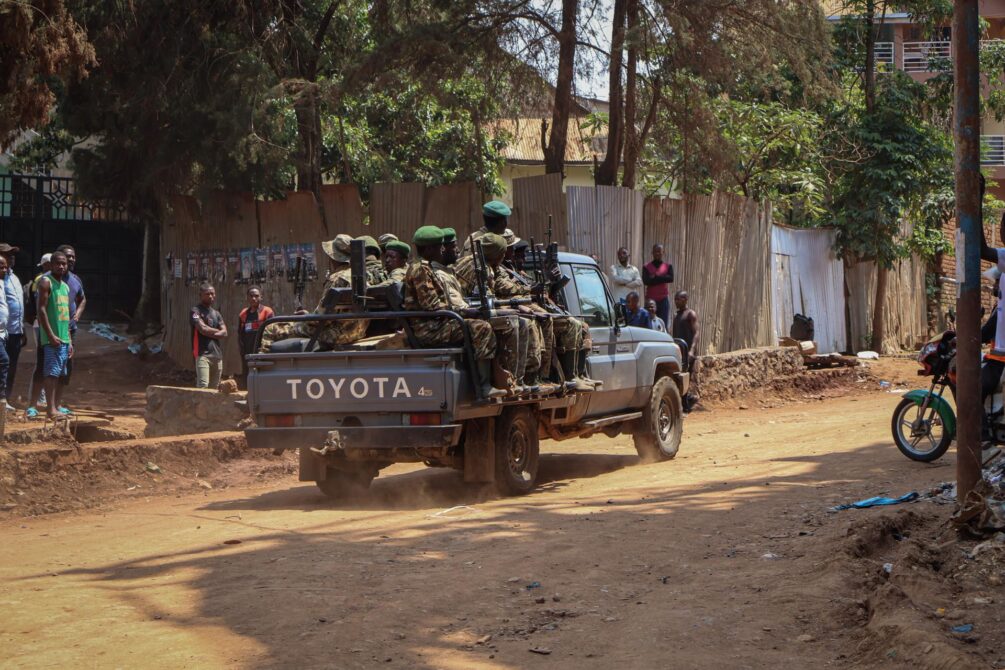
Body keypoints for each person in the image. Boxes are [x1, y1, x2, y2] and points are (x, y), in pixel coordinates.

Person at [404, 226, 507, 399]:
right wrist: (465, 312)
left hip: (437, 323)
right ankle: (484, 386)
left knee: (485, 322)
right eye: (440, 247)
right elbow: (432, 306)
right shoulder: (420, 270)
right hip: (429, 329)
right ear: (429, 249)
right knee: (481, 328)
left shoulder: (425, 268)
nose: (443, 250)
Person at [33, 251, 73, 420]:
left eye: (64, 263)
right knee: (51, 373)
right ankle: (50, 410)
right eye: (58, 263)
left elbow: (66, 316)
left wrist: (69, 341)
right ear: (51, 264)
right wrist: (50, 335)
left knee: (60, 374)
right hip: (52, 339)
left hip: (64, 338)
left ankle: (56, 407)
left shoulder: (65, 286)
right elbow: (41, 310)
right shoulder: (45, 282)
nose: (61, 266)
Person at [55, 245, 85, 407]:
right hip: (53, 330)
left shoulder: (76, 280)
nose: (71, 259)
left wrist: (78, 314)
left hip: (70, 330)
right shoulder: (48, 280)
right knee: (50, 366)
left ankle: (57, 404)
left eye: (73, 256)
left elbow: (83, 299)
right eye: (68, 256)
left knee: (66, 367)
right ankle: (41, 403)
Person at [0, 243, 24, 409]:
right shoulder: (1, 277)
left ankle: (5, 399)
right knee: (3, 362)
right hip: (3, 331)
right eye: (8, 254)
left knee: (11, 365)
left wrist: (22, 329)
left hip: (16, 330)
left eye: (12, 255)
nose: (12, 257)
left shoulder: (14, 277)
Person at [190, 283, 227, 389]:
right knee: (203, 386)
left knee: (215, 389)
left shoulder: (216, 314)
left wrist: (209, 331)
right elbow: (202, 329)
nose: (210, 296)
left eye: (212, 293)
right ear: (200, 295)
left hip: (217, 356)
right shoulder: (195, 311)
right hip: (203, 354)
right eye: (207, 294)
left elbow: (225, 333)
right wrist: (218, 331)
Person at [237, 286, 274, 386]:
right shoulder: (243, 314)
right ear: (247, 298)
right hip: (248, 351)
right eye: (251, 296)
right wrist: (242, 349)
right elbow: (240, 334)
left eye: (256, 296)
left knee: (262, 375)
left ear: (261, 297)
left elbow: (272, 331)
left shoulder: (267, 312)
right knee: (248, 375)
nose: (254, 298)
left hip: (263, 350)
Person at [643, 244, 674, 328]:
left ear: (663, 252)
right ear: (652, 252)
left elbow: (670, 279)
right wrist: (663, 278)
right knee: (648, 324)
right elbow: (646, 281)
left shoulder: (668, 266)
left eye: (659, 251)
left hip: (663, 299)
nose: (657, 253)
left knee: (663, 323)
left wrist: (655, 277)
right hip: (650, 300)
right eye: (655, 251)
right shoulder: (646, 267)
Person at [0, 254, 10, 410]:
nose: (4, 269)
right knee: (4, 360)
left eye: (5, 266)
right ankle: (1, 398)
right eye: (1, 266)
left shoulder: (2, 283)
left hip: (3, 332)